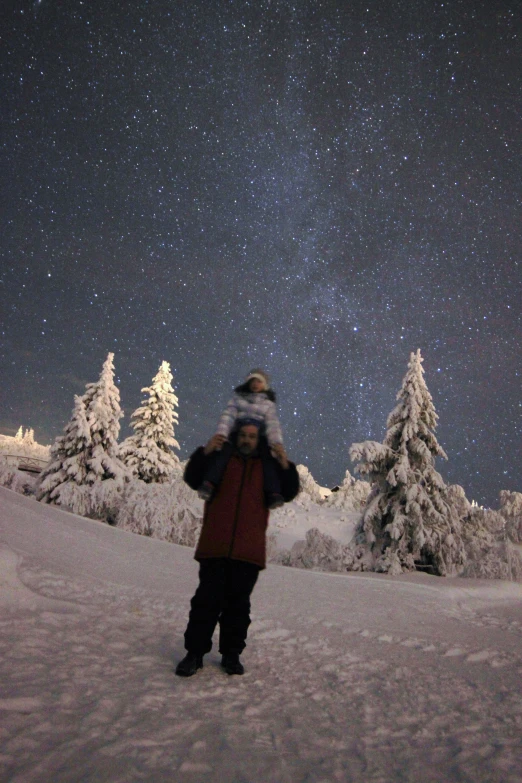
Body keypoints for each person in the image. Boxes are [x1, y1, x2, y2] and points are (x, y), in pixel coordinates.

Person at [176, 422, 299, 677]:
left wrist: (285, 464)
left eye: (252, 436)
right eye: (243, 435)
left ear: (258, 439)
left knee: (238, 606)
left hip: (248, 552)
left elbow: (288, 491)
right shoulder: (221, 459)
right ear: (236, 436)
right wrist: (205, 451)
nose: (246, 439)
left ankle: (231, 656)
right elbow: (192, 478)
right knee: (205, 603)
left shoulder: (268, 467)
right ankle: (194, 654)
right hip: (215, 546)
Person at [198, 369, 286, 509]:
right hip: (238, 431)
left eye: (259, 381)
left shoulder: (268, 404)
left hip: (257, 435)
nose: (255, 384)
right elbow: (228, 417)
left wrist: (276, 443)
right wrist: (222, 433)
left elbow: (272, 425)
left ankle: (273, 493)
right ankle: (209, 483)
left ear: (264, 385)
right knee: (224, 453)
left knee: (267, 458)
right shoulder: (238, 399)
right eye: (252, 381)